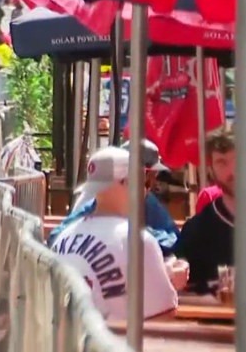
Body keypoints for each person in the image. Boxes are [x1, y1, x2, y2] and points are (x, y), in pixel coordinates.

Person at [50, 146, 185, 320]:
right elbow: (162, 318)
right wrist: (170, 280)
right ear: (128, 182)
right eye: (143, 182)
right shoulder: (138, 240)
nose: (145, 190)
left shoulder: (63, 237)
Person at [49, 139, 181, 255]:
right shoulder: (98, 200)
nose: (154, 179)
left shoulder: (146, 202)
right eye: (153, 173)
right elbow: (56, 236)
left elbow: (173, 240)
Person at [174, 129, 235, 294]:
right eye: (222, 162)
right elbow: (181, 293)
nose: (233, 171)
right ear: (211, 169)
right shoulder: (198, 230)